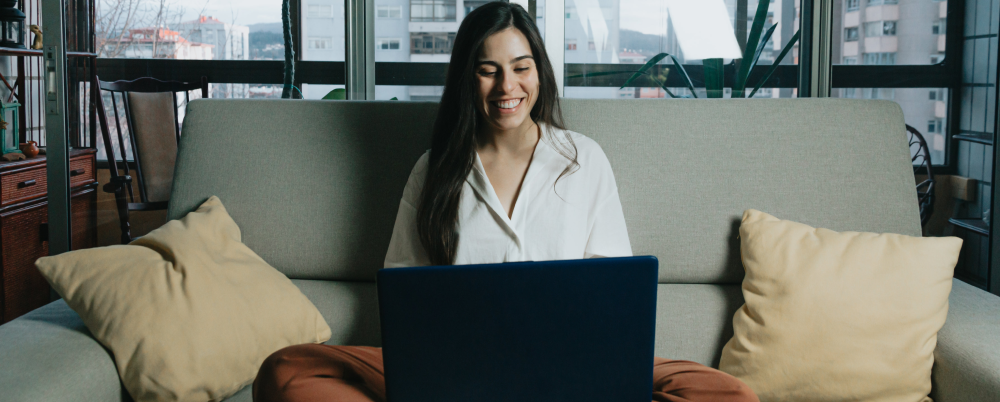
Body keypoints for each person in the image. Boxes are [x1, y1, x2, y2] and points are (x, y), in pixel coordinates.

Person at [253, 3, 757, 402]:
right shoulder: (435, 170)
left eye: (521, 67)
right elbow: (405, 296)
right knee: (289, 369)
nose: (507, 87)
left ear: (539, 72)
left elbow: (612, 290)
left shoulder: (584, 159)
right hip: (460, 369)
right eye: (488, 71)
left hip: (569, 365)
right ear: (466, 80)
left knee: (725, 391)